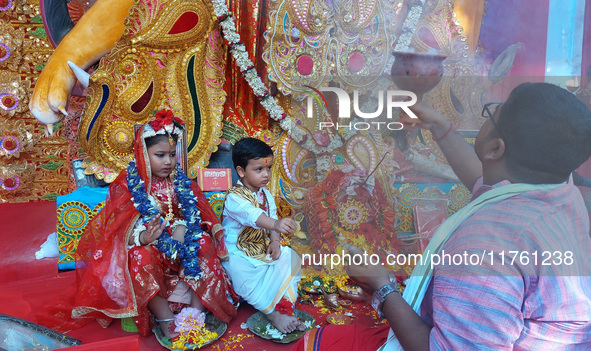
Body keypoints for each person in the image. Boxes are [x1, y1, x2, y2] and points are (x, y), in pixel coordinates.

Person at [294, 82, 591, 350]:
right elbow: (487, 181)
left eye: (491, 116)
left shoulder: (484, 247)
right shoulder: (559, 190)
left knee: (315, 343)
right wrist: (441, 127)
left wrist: (381, 285)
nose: (485, 120)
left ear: (496, 148)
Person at [38, 110, 238, 343]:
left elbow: (199, 213)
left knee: (202, 243)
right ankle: (164, 318)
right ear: (143, 153)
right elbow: (120, 229)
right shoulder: (129, 184)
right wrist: (144, 236)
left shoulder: (181, 181)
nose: (168, 161)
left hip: (182, 239)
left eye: (172, 155)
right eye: (160, 155)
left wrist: (185, 229)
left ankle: (195, 313)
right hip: (150, 243)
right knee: (140, 256)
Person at [221, 137, 304, 334]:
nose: (266, 174)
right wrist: (276, 224)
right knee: (240, 272)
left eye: (268, 168)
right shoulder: (234, 197)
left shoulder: (265, 194)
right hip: (237, 252)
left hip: (262, 249)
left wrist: (275, 241)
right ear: (241, 171)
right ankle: (272, 314)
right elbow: (255, 216)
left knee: (290, 257)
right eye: (259, 169)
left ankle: (285, 306)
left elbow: (272, 218)